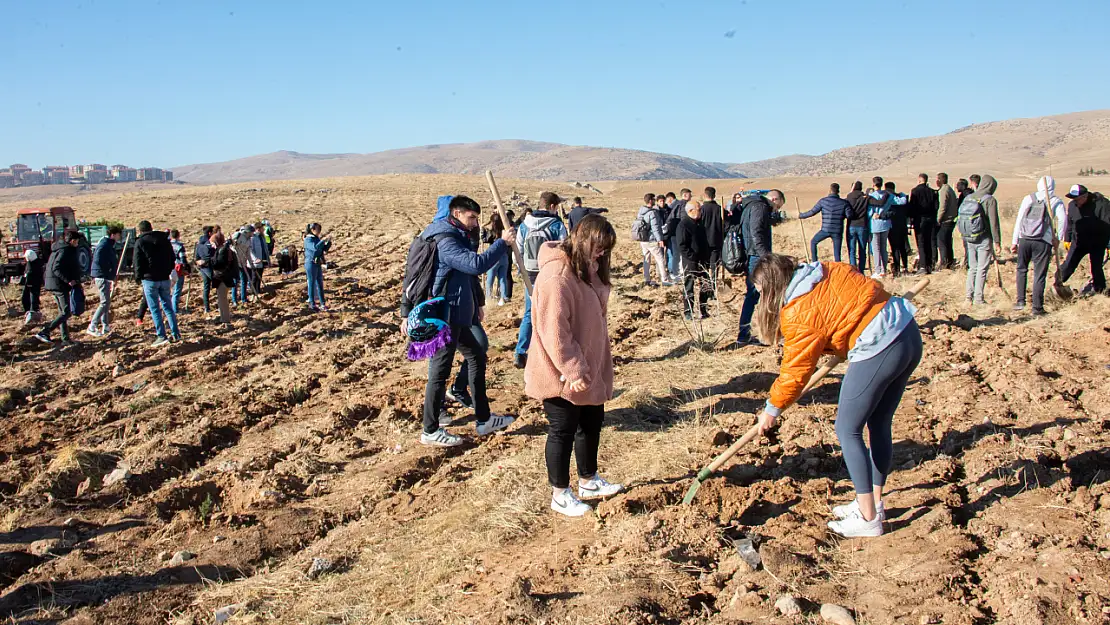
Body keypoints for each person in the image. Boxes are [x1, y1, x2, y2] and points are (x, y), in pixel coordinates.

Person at [751, 254, 922, 537]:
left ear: (773, 287)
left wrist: (772, 409)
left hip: (879, 346)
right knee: (879, 423)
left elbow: (796, 372)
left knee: (847, 428)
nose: (759, 295)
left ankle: (867, 519)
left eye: (760, 289)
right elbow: (851, 298)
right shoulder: (826, 269)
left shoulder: (798, 311)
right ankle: (873, 504)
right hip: (906, 332)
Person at [525, 214, 622, 517]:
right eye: (598, 247)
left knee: (591, 422)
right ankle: (559, 494)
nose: (602, 254)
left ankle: (589, 481)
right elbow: (555, 333)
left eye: (606, 250)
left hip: (588, 365)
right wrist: (573, 369)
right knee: (563, 429)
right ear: (583, 239)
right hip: (560, 372)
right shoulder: (557, 276)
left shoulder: (584, 269)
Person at [417, 195, 516, 447]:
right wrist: (502, 243)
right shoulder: (446, 241)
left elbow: (467, 278)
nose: (475, 223)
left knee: (476, 356)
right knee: (439, 372)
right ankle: (430, 430)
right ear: (457, 213)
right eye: (471, 217)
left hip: (459, 314)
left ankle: (483, 419)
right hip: (444, 317)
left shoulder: (459, 235)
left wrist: (477, 305)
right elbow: (475, 266)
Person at [515, 192, 569, 369]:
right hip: (550, 271)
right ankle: (549, 353)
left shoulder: (525, 225)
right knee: (553, 312)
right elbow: (565, 249)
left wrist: (521, 268)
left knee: (530, 312)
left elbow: (517, 249)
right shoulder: (556, 224)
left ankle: (520, 352)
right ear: (553, 206)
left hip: (529, 273)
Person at [736, 189, 785, 345]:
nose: (775, 210)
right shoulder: (759, 207)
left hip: (753, 255)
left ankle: (745, 334)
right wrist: (766, 257)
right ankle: (766, 334)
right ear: (774, 199)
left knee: (754, 295)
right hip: (757, 257)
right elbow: (756, 232)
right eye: (777, 207)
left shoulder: (751, 205)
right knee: (763, 295)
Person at [1010, 176, 1058, 315]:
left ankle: (1020, 301)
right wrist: (1058, 239)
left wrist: (1015, 241)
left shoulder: (1028, 198)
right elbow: (1063, 220)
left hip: (1024, 238)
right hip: (1043, 241)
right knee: (1039, 274)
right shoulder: (1054, 200)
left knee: (1021, 269)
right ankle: (1037, 307)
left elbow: (1019, 219)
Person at [133, 220, 180, 346]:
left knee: (155, 309)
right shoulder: (164, 240)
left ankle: (161, 336)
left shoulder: (140, 241)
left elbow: (137, 261)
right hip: (165, 278)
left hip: (149, 280)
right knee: (168, 307)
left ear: (141, 231)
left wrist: (138, 277)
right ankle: (176, 333)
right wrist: (168, 270)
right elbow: (172, 258)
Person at [33, 230, 83, 345]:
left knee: (63, 312)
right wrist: (69, 280)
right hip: (59, 285)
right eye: (77, 241)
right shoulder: (65, 251)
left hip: (53, 284)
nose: (77, 243)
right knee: (66, 312)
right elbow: (57, 268)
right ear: (72, 241)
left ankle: (65, 339)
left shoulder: (59, 248)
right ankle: (45, 332)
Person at [1059, 184, 1110, 295]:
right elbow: (1070, 223)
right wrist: (1067, 238)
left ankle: (1100, 291)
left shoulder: (1102, 204)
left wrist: (1109, 245)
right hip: (1079, 242)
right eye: (1073, 199)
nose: (1075, 202)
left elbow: (1108, 225)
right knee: (1068, 265)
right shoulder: (1072, 205)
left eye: (1077, 199)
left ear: (1085, 196)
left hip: (1098, 243)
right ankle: (1057, 284)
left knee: (1096, 268)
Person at [960, 174, 1002, 305]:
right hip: (984, 238)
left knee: (972, 267)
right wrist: (997, 241)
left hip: (969, 237)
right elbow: (993, 222)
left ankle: (968, 297)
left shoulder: (969, 197)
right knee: (982, 268)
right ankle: (978, 298)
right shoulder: (990, 200)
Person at [676, 199, 711, 319]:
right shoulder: (684, 225)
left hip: (703, 261)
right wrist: (693, 257)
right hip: (691, 262)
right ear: (691, 211)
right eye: (699, 209)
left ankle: (704, 310)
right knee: (689, 286)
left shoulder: (700, 223)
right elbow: (682, 245)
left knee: (705, 285)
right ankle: (688, 312)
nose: (701, 211)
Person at [800, 183, 849, 262]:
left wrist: (801, 215)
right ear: (838, 191)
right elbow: (849, 215)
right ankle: (838, 269)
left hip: (825, 229)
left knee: (813, 242)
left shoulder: (823, 201)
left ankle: (815, 262)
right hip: (837, 231)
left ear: (830, 190)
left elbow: (812, 212)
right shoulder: (844, 203)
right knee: (837, 254)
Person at [87, 226, 122, 337]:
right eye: (118, 234)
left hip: (105, 276)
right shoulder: (104, 245)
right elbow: (99, 261)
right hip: (102, 276)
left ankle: (105, 326)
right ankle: (92, 326)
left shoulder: (108, 245)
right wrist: (109, 274)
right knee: (104, 302)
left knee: (106, 302)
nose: (119, 236)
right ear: (113, 234)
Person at [637, 193, 672, 287]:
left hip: (643, 239)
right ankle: (665, 280)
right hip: (651, 240)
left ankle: (647, 279)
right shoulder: (652, 213)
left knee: (646, 259)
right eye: (653, 199)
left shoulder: (641, 211)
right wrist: (660, 239)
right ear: (650, 201)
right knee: (660, 259)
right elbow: (655, 227)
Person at [908, 173, 938, 274]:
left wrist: (911, 219)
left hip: (919, 220)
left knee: (921, 243)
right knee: (929, 242)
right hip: (930, 219)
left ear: (919, 180)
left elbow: (912, 207)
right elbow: (936, 207)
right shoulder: (932, 191)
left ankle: (923, 266)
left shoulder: (915, 191)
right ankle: (930, 265)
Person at [209, 232, 237, 324]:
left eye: (212, 243)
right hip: (226, 278)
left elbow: (219, 264)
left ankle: (225, 320)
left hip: (222, 278)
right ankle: (223, 318)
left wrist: (208, 262)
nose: (212, 245)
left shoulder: (222, 250)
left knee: (222, 300)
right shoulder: (227, 250)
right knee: (222, 300)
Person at [483, 213, 510, 305]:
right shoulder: (504, 231)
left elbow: (484, 240)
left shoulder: (492, 232)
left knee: (490, 279)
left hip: (494, 257)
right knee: (502, 278)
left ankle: (488, 297)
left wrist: (483, 229)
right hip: (504, 256)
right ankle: (503, 297)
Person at [867, 177, 892, 278]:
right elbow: (901, 201)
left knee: (876, 248)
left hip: (874, 225)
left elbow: (868, 212)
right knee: (883, 247)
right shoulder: (888, 195)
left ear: (873, 184)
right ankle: (884, 269)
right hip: (886, 224)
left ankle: (878, 270)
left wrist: (871, 215)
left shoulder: (871, 196)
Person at [303, 223, 332, 311]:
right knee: (312, 283)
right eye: (317, 230)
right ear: (312, 230)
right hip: (311, 263)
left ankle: (322, 303)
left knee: (320, 283)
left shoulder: (316, 238)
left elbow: (323, 249)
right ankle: (312, 303)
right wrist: (322, 241)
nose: (319, 232)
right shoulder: (308, 239)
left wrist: (329, 242)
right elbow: (315, 248)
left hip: (317, 263)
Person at [845, 181, 870, 273]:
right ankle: (861, 269)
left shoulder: (849, 197)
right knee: (862, 249)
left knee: (852, 249)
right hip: (862, 225)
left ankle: (853, 269)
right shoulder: (865, 197)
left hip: (851, 225)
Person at [936, 173, 959, 270]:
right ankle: (950, 261)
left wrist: (938, 219)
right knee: (948, 241)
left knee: (942, 242)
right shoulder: (949, 189)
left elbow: (942, 206)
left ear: (940, 180)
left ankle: (944, 263)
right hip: (951, 220)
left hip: (946, 220)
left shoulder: (943, 190)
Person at [701, 187, 724, 274]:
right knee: (715, 264)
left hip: (704, 240)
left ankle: (706, 282)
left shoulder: (701, 209)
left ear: (704, 195)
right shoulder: (719, 209)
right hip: (716, 240)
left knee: (705, 263)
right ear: (714, 195)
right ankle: (713, 281)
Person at [194, 226, 215, 313]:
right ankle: (221, 305)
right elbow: (211, 256)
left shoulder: (198, 244)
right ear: (210, 233)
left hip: (202, 268)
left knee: (206, 287)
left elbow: (196, 257)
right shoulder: (209, 243)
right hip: (209, 267)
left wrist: (199, 262)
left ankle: (207, 307)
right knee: (219, 284)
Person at [21, 248, 44, 326]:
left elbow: (31, 275)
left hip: (33, 285)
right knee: (26, 298)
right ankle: (29, 312)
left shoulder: (34, 265)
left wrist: (29, 283)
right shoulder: (31, 263)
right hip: (30, 284)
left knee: (33, 299)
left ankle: (32, 313)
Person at [664, 191, 683, 278]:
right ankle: (673, 271)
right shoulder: (676, 206)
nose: (666, 203)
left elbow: (671, 220)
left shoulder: (676, 206)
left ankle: (673, 271)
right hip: (672, 233)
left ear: (670, 199)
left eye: (666, 200)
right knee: (672, 253)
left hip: (674, 233)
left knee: (674, 253)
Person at [169, 229, 189, 314]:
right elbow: (183, 259)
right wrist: (187, 268)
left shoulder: (168, 245)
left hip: (168, 268)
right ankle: (175, 309)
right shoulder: (179, 246)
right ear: (178, 235)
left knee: (171, 288)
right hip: (178, 268)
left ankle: (171, 307)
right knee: (177, 289)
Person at [250, 221, 270, 295]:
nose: (263, 229)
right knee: (255, 276)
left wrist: (268, 259)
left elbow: (265, 248)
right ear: (258, 229)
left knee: (260, 275)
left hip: (262, 259)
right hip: (256, 261)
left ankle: (258, 290)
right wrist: (255, 259)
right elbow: (250, 250)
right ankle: (253, 291)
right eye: (262, 228)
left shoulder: (262, 237)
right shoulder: (253, 238)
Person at [957, 180, 973, 269]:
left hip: (966, 223)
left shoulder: (964, 195)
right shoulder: (970, 194)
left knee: (967, 244)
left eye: (958, 185)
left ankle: (968, 263)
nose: (956, 187)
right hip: (970, 223)